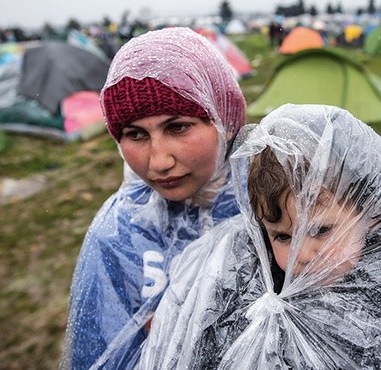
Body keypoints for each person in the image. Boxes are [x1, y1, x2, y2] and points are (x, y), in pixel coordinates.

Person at [137, 104, 381, 369]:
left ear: (370, 211)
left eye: (320, 231)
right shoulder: (244, 284)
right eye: (283, 237)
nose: (305, 253)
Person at [60, 27, 246, 369]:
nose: (159, 161)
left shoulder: (276, 209)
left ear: (226, 121)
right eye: (135, 134)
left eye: (178, 127)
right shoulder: (117, 235)